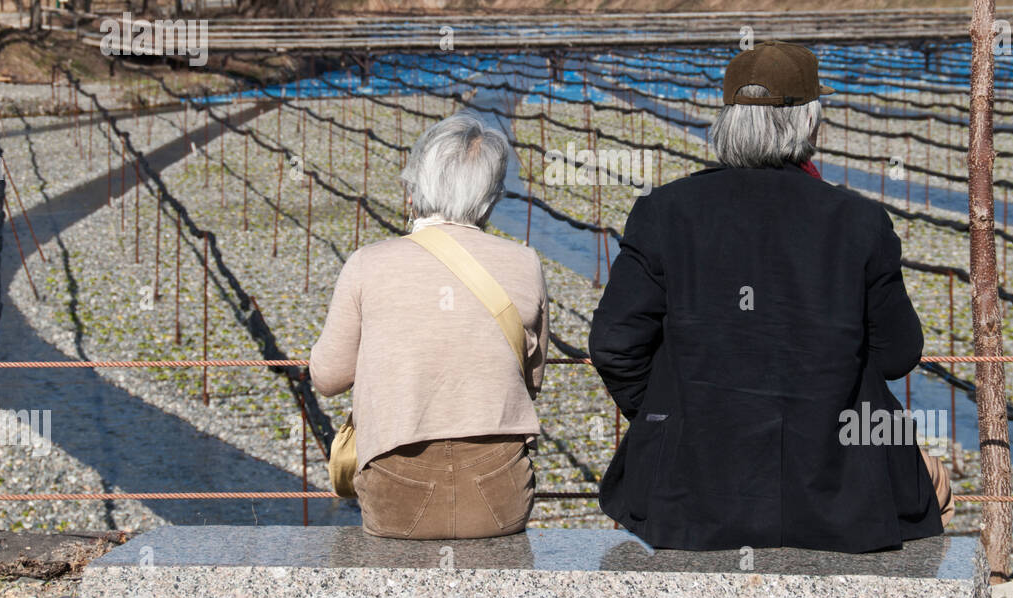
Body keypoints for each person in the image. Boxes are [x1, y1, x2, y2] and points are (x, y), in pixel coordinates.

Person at [589, 40, 953, 553]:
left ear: (727, 123)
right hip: (844, 494)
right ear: (810, 124)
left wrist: (672, 415)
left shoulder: (664, 213)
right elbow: (898, 354)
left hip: (692, 493)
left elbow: (612, 344)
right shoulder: (859, 221)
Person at [310, 112, 550, 539]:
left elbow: (328, 378)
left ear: (415, 187)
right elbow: (531, 379)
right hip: (499, 495)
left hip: (395, 491)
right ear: (491, 195)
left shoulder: (369, 263)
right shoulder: (525, 264)